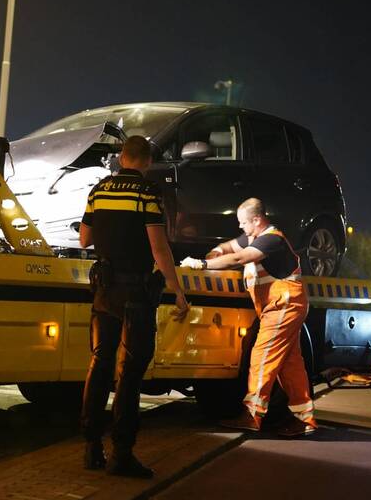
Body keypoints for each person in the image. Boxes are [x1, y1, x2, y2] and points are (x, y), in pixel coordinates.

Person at [80, 136, 189, 477]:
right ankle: (121, 453)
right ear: (146, 161)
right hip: (136, 294)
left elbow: (85, 239)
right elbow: (158, 248)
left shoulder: (99, 190)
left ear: (122, 158)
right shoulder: (147, 193)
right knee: (129, 373)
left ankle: (91, 447)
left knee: (99, 364)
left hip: (104, 291)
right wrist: (178, 290)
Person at [180, 198, 317, 436]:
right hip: (280, 306)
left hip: (283, 304)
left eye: (243, 222)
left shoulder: (272, 239)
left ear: (257, 219)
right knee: (289, 363)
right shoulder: (253, 237)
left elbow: (239, 258)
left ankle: (252, 415)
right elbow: (227, 248)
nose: (241, 227)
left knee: (262, 356)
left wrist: (202, 264)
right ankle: (304, 420)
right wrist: (214, 253)